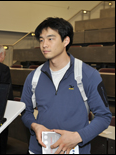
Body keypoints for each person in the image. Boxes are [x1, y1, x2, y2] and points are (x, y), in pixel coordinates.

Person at [20, 17, 112, 154]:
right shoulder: (34, 76)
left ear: (66, 41)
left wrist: (77, 137)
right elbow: (25, 110)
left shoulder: (88, 75)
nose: (44, 45)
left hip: (74, 150)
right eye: (41, 39)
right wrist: (35, 126)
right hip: (38, 150)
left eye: (50, 39)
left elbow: (104, 117)